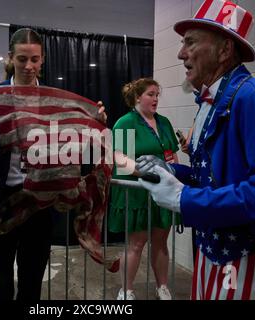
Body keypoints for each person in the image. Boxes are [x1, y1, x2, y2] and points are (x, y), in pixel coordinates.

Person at [137, 0, 255, 300]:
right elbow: (214, 177)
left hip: (246, 261)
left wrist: (185, 198)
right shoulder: (209, 103)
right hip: (211, 253)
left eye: (190, 42)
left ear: (224, 50)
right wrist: (171, 171)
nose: (180, 53)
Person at [0, 28, 107, 300]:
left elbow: (73, 141)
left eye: (35, 59)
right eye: (22, 59)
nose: (29, 66)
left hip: (40, 203)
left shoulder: (56, 101)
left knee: (32, 277)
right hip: (1, 199)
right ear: (10, 58)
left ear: (43, 60)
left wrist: (93, 121)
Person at [109, 78, 181, 300]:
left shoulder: (165, 122)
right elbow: (120, 158)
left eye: (157, 94)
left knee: (160, 242)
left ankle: (162, 287)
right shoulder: (125, 122)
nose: (155, 99)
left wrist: (174, 172)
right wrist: (144, 174)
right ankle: (127, 290)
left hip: (163, 191)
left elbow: (171, 153)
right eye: (151, 94)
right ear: (137, 97)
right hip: (137, 191)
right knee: (136, 244)